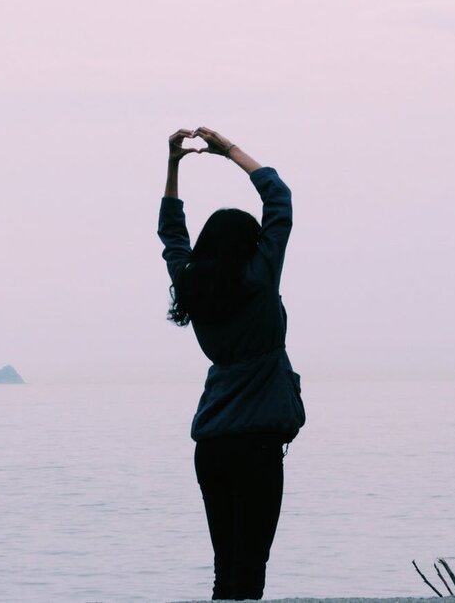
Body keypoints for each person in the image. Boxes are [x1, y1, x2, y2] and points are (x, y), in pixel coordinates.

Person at [158, 127, 306, 602]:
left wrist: (173, 164)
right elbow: (279, 199)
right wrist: (230, 152)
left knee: (225, 571)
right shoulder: (259, 279)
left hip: (212, 446)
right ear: (249, 245)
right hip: (257, 446)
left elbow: (172, 235)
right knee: (250, 571)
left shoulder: (191, 284)